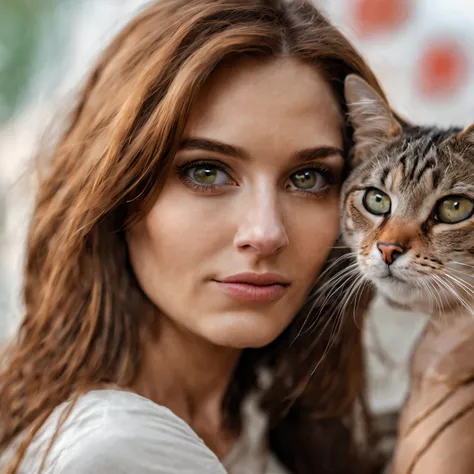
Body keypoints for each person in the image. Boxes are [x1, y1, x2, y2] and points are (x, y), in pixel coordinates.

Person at [0, 1, 389, 473]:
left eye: (308, 178)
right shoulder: (118, 451)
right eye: (206, 171)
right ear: (118, 191)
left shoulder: (254, 417)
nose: (265, 233)